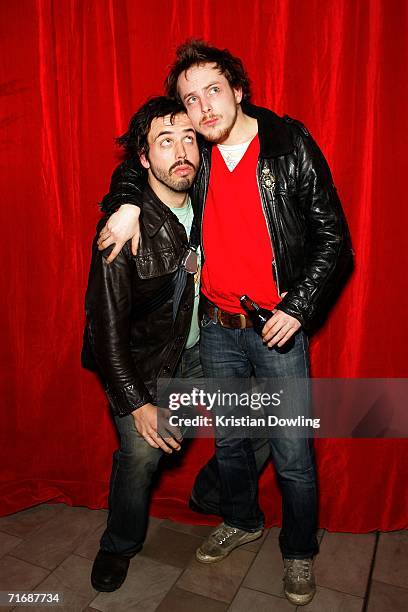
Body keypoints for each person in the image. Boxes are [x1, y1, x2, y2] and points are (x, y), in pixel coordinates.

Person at [96, 41, 353, 606]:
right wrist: (127, 202)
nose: (204, 107)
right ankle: (241, 519)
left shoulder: (288, 144)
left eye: (214, 90)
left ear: (238, 90)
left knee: (292, 452)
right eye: (192, 99)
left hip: (274, 329)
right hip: (216, 328)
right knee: (233, 442)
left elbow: (335, 239)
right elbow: (148, 165)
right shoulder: (199, 154)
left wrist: (299, 306)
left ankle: (299, 552)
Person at [83, 96, 204, 592]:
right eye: (165, 141)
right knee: (140, 458)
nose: (181, 151)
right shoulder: (122, 228)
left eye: (189, 137)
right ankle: (118, 544)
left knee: (270, 420)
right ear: (143, 157)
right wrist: (137, 404)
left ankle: (219, 491)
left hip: (207, 351)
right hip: (146, 366)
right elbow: (103, 328)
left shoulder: (212, 197)